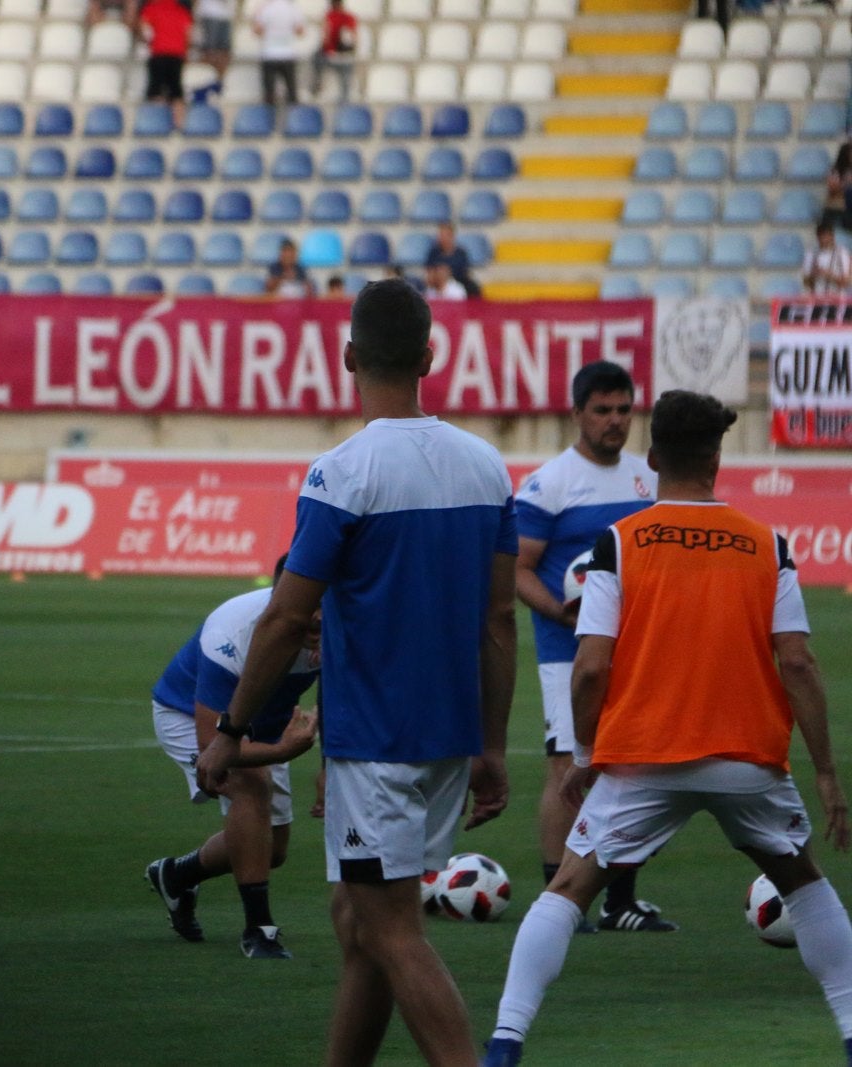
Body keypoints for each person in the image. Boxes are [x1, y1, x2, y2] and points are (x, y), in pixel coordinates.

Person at [197, 278, 517, 1067]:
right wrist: (493, 744)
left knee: (389, 928)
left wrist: (230, 731)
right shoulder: (487, 467)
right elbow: (498, 620)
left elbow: (281, 618)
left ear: (347, 357)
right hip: (447, 736)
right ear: (429, 356)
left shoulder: (341, 474)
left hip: (378, 746)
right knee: (357, 920)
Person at [481, 391, 852, 1067]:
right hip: (748, 756)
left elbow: (591, 668)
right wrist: (825, 770)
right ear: (717, 458)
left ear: (652, 460)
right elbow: (796, 659)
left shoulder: (618, 543)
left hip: (642, 756)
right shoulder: (768, 543)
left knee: (567, 888)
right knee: (804, 883)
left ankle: (506, 1040)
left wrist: (589, 753)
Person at [514, 361, 676, 935]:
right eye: (602, 410)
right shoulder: (549, 483)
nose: (615, 421)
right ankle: (560, 898)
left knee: (634, 768)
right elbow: (518, 569)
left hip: (638, 648)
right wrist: (560, 610)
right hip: (568, 652)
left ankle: (618, 902)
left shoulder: (650, 480)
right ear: (578, 412)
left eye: (624, 410)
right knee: (567, 766)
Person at [145, 558, 321, 959]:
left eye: (323, 603)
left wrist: (326, 768)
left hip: (261, 726)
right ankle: (259, 931)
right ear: (280, 597)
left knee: (271, 851)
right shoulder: (234, 631)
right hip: (188, 716)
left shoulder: (342, 621)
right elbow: (215, 745)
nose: (316, 618)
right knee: (249, 787)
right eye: (306, 605)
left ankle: (176, 875)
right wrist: (282, 751)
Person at [133, 0, 191, 128]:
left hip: (159, 52)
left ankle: (156, 123)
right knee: (176, 91)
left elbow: (144, 29)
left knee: (156, 90)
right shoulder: (181, 10)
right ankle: (179, 124)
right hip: (177, 54)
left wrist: (147, 42)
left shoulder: (152, 8)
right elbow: (188, 32)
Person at [252, 0, 304, 108]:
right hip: (288, 54)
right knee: (292, 93)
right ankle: (293, 119)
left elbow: (257, 30)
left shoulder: (265, 9)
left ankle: (268, 120)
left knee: (269, 95)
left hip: (269, 54)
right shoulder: (293, 8)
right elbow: (300, 31)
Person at [310, 0, 356, 102]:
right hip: (346, 56)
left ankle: (317, 85)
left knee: (316, 58)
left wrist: (327, 49)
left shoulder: (329, 17)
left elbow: (325, 38)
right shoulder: (350, 17)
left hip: (331, 55)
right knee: (346, 79)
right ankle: (345, 98)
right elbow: (354, 38)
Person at [426, 223, 482, 299]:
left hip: (458, 281)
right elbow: (430, 273)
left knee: (473, 288)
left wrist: (449, 276)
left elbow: (465, 272)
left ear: (451, 236)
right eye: (440, 235)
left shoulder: (461, 253)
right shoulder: (434, 252)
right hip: (439, 282)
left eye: (444, 235)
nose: (441, 238)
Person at [193, 0, 232, 100]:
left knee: (225, 54)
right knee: (210, 52)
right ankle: (202, 83)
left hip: (226, 15)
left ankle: (217, 83)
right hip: (210, 14)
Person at [804, 222, 852, 295]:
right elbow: (806, 282)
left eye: (826, 236)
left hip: (837, 300)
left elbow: (846, 282)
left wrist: (830, 276)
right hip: (817, 299)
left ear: (832, 236)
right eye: (821, 236)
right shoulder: (811, 254)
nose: (824, 239)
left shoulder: (842, 253)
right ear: (817, 237)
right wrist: (814, 275)